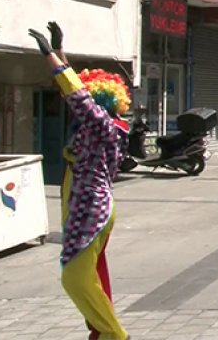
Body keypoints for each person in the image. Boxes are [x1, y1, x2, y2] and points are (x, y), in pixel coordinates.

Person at [29, 22, 131, 340]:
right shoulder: (106, 123)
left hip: (91, 206)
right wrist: (61, 52)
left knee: (74, 278)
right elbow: (77, 94)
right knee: (90, 275)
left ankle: (115, 335)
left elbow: (77, 96)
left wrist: (50, 57)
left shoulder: (102, 125)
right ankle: (102, 331)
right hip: (87, 202)